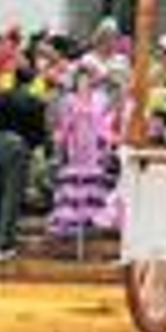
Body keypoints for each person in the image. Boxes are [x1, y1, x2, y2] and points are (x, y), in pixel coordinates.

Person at [0, 64, 50, 261]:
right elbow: (38, 136)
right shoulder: (35, 102)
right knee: (11, 197)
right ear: (31, 82)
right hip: (16, 147)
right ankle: (4, 246)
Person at [47, 59, 121, 238]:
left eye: (87, 79)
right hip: (76, 144)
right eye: (80, 79)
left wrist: (108, 142)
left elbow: (105, 122)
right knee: (75, 178)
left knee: (93, 178)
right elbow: (64, 124)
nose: (84, 83)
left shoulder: (100, 99)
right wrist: (60, 141)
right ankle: (72, 221)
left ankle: (91, 219)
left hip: (94, 144)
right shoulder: (69, 100)